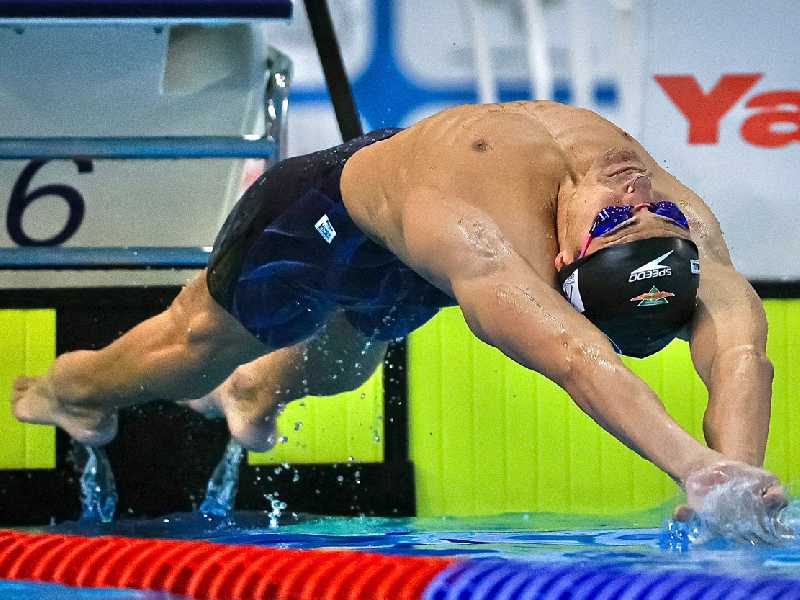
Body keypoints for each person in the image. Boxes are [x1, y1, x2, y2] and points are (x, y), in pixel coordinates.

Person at [12, 101, 787, 529]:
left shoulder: (667, 224)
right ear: (555, 265)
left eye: (636, 219)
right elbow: (582, 360)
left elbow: (741, 355)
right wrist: (694, 465)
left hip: (419, 227)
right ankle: (69, 391)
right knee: (195, 347)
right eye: (633, 212)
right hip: (324, 213)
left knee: (346, 366)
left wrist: (735, 486)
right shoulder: (481, 238)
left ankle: (258, 395)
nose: (634, 194)